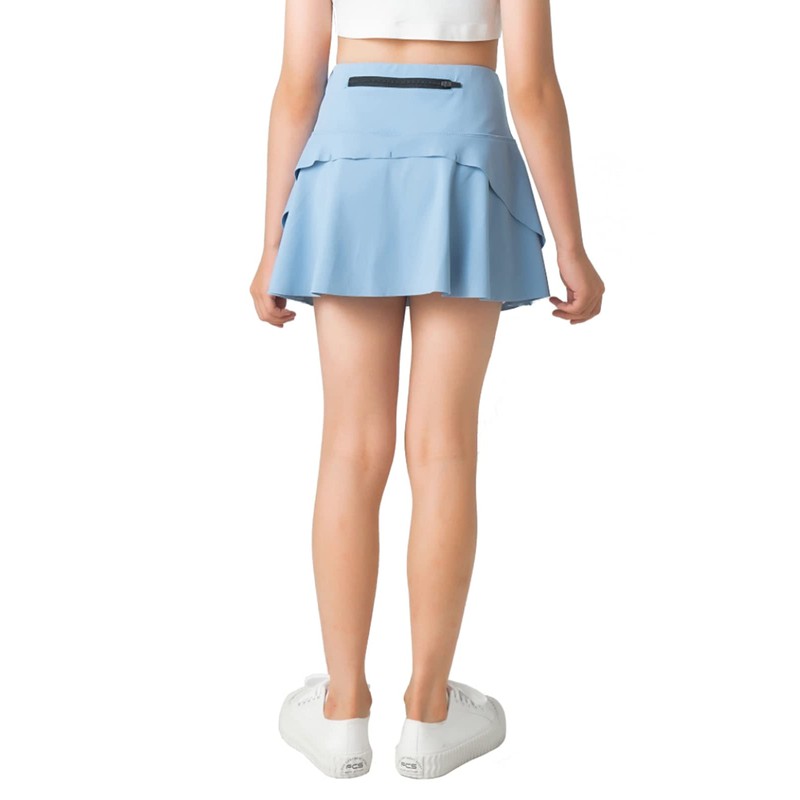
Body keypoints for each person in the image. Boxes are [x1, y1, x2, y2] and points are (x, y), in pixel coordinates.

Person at [249, 0, 605, 780]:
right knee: (443, 449)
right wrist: (572, 246)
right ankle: (429, 714)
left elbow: (299, 81)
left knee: (350, 449)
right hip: (465, 152)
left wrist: (273, 240)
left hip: (346, 155)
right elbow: (533, 88)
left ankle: (342, 712)